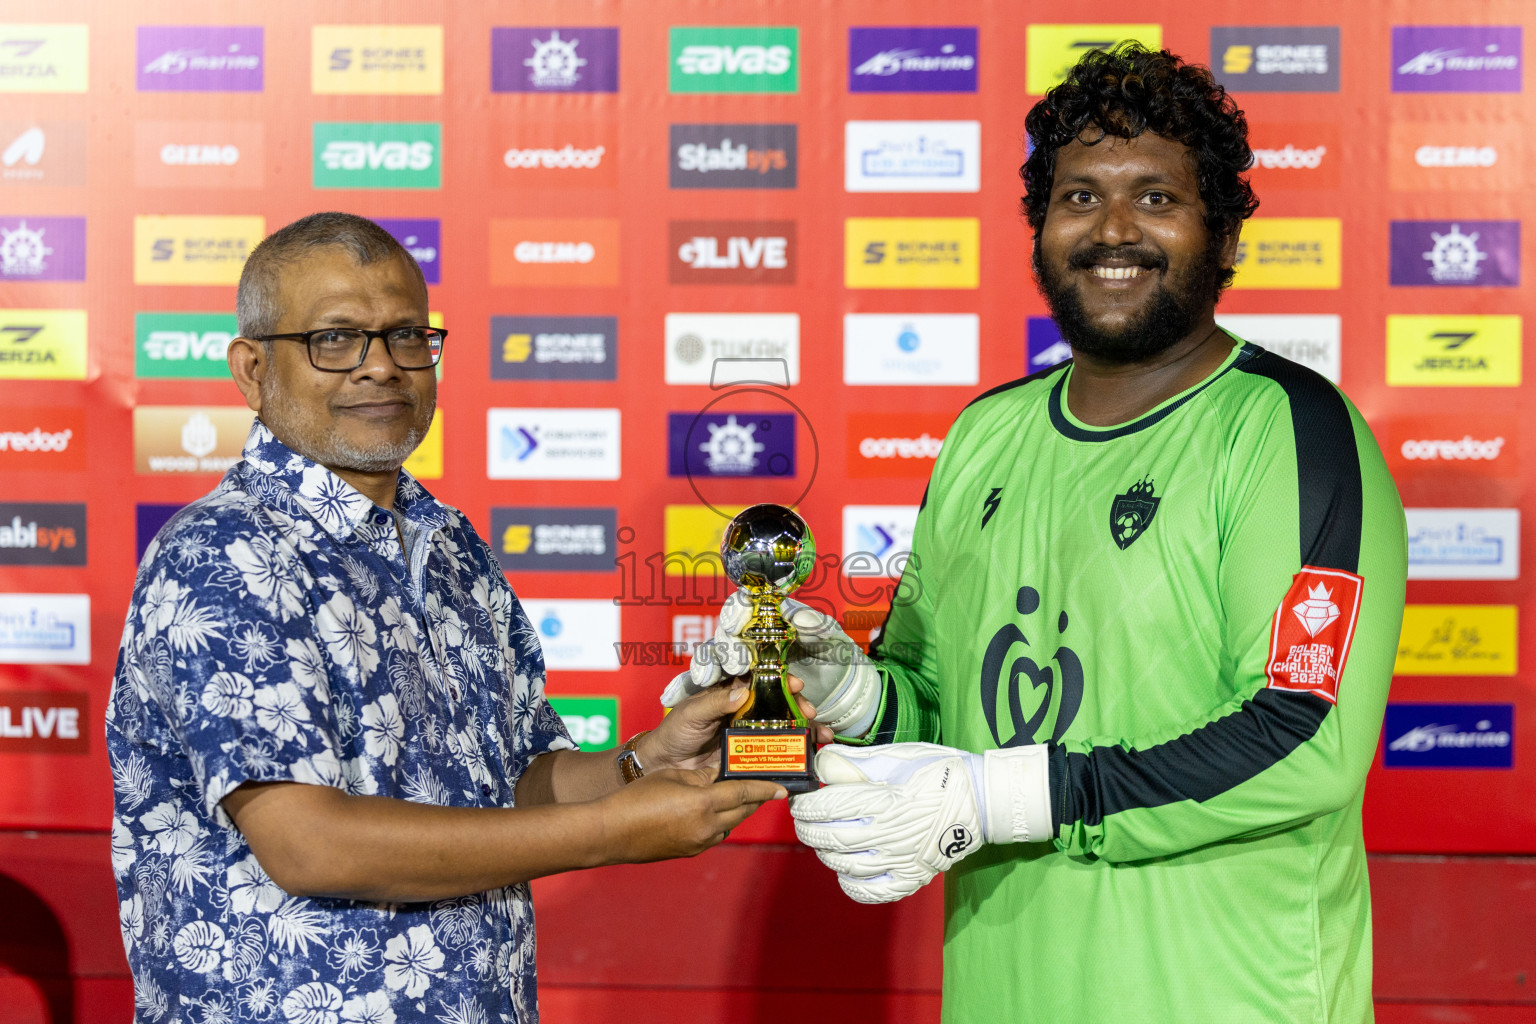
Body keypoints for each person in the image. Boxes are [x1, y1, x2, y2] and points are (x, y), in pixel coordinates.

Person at [670, 44, 1407, 1022]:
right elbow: (940, 717)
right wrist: (845, 687)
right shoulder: (987, 434)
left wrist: (1005, 798)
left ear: (1225, 235)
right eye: (1079, 197)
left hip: (1227, 994)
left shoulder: (1285, 427)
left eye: (1156, 199)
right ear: (1039, 227)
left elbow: (1304, 739)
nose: (1112, 230)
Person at [107, 212, 787, 1024]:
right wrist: (614, 830)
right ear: (253, 370)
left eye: (405, 337)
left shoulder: (451, 544)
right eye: (335, 340)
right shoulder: (222, 552)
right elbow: (310, 843)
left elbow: (520, 780)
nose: (380, 368)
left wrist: (644, 763)